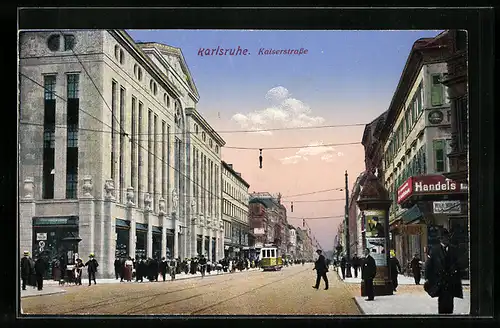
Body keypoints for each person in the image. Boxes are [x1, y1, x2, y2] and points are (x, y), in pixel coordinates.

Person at [424, 229, 463, 314]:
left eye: (447, 237)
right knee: (442, 301)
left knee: (450, 301)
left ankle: (449, 317)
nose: (446, 239)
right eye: (444, 238)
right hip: (440, 281)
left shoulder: (453, 249)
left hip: (451, 280)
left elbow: (458, 263)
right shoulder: (434, 250)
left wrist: (457, 274)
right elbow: (429, 265)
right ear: (440, 239)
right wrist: (427, 278)